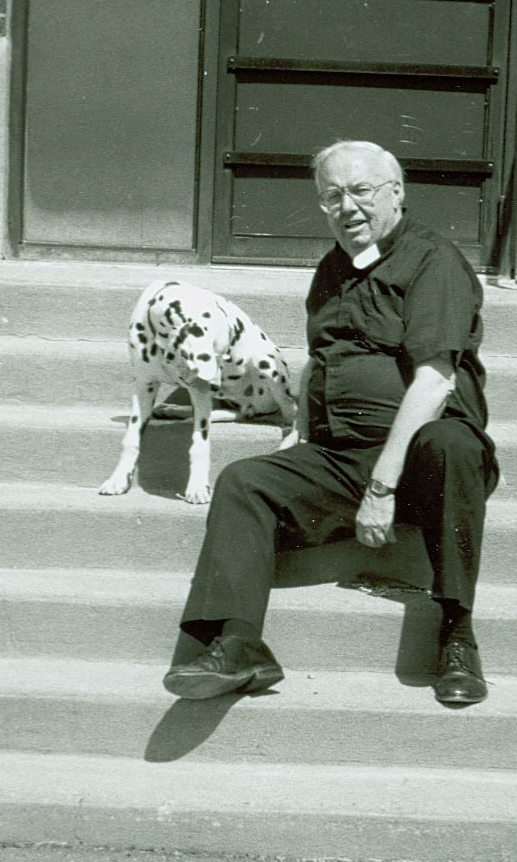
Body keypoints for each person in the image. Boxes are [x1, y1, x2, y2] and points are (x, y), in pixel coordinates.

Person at [163, 140, 499, 706]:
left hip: (417, 459)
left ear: (397, 193)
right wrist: (297, 425)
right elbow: (324, 356)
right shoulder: (331, 270)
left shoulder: (432, 260)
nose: (347, 206)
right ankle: (240, 645)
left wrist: (382, 487)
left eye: (361, 191)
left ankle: (457, 635)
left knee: (452, 444)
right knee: (245, 481)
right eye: (332, 196)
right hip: (342, 455)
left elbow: (435, 381)